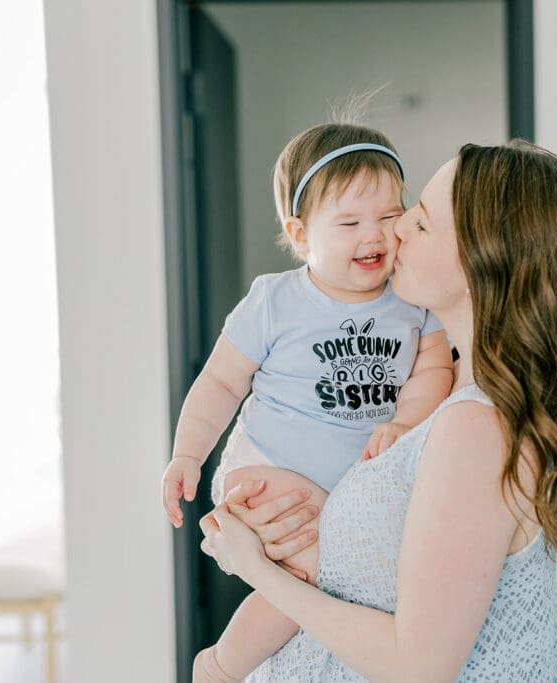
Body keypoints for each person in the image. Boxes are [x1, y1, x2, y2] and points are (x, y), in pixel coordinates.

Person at [197, 140, 557, 681]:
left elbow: (418, 668)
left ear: (483, 263)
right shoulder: (438, 393)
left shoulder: (478, 426)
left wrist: (256, 568)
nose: (396, 228)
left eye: (421, 223)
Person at [162, 123, 454, 681]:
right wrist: (187, 455)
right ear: (300, 234)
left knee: (326, 582)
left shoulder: (412, 300)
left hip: (345, 489)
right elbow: (220, 383)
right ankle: (222, 668)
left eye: (390, 216)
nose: (373, 235)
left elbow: (433, 368)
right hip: (269, 466)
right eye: (348, 222)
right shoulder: (275, 300)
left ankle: (250, 664)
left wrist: (406, 420)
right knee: (328, 576)